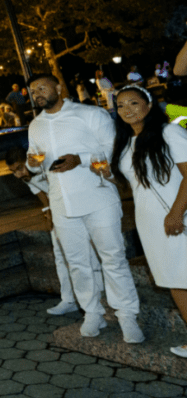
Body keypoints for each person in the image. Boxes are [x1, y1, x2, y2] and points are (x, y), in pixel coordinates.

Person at [26, 73, 143, 342]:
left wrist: (80, 159)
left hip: (98, 197)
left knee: (113, 258)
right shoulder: (36, 125)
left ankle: (127, 315)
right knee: (77, 262)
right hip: (61, 202)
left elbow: (114, 149)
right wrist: (32, 163)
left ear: (59, 86)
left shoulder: (90, 114)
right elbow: (34, 161)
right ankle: (92, 312)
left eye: (42, 88)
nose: (37, 94)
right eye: (33, 91)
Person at [108, 85, 187, 357]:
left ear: (149, 105)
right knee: (174, 279)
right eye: (120, 105)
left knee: (182, 276)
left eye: (133, 102)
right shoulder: (124, 143)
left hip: (178, 216)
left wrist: (176, 212)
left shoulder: (169, 133)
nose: (127, 109)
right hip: (149, 222)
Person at [5, 146, 102, 316]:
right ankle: (69, 299)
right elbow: (41, 193)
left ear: (28, 160)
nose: (18, 175)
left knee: (87, 252)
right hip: (57, 210)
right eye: (13, 171)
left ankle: (99, 294)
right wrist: (47, 212)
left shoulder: (47, 167)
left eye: (20, 168)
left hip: (75, 207)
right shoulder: (28, 177)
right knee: (59, 255)